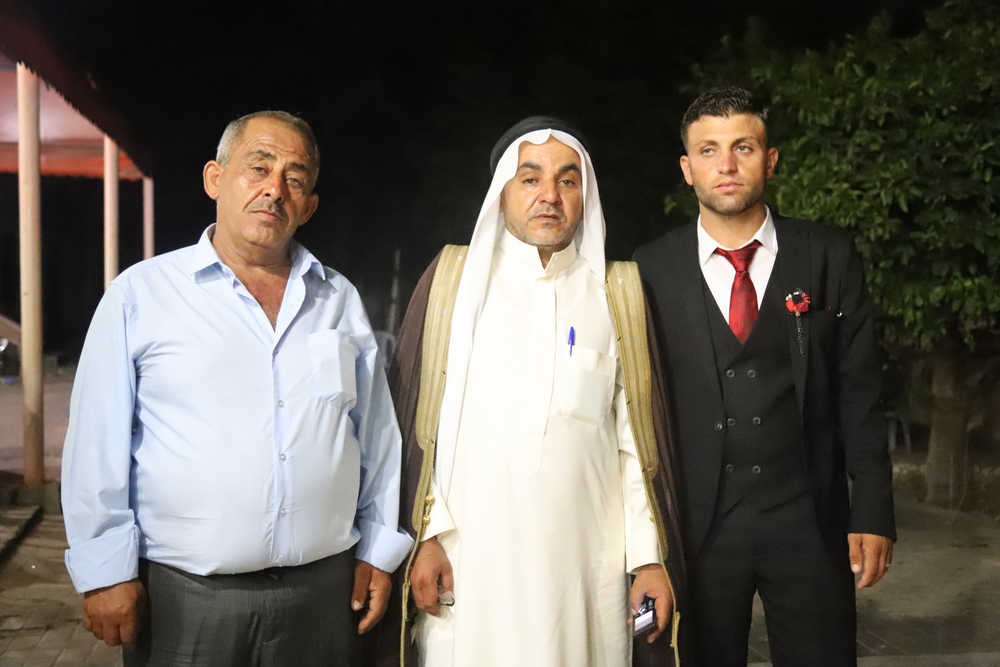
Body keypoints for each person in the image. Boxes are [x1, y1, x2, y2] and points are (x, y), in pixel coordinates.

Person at [61, 110, 413, 667]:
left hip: (323, 595)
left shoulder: (337, 298)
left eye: (295, 178)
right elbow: (95, 442)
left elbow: (376, 437)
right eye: (259, 167)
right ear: (215, 179)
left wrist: (378, 549)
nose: (275, 189)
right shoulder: (142, 294)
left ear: (309, 206)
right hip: (186, 597)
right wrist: (104, 571)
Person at [378, 117, 685, 667]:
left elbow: (636, 444)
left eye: (567, 180)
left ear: (585, 197)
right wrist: (425, 537)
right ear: (502, 194)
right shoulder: (454, 283)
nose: (550, 195)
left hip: (585, 573)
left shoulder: (617, 292)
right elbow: (412, 427)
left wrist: (647, 558)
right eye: (530, 178)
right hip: (468, 565)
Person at [633, 87, 895, 666]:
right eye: (708, 150)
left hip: (809, 520)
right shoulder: (647, 269)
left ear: (770, 160)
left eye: (743, 147)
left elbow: (859, 391)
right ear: (688, 168)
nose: (726, 164)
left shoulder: (828, 254)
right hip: (695, 528)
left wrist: (873, 508)